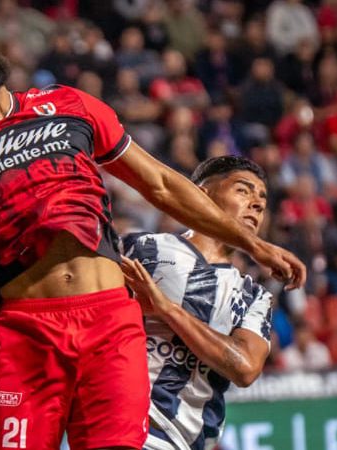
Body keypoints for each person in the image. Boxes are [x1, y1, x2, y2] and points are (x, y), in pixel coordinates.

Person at [0, 15, 306, 450]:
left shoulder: (69, 103)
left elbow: (161, 184)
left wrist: (253, 243)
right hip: (25, 335)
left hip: (109, 327)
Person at [120, 156, 275, 450]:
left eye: (262, 200)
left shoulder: (254, 296)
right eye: (243, 190)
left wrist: (166, 308)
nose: (256, 204)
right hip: (124, 426)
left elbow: (244, 368)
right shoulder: (140, 248)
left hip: (186, 442)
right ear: (200, 194)